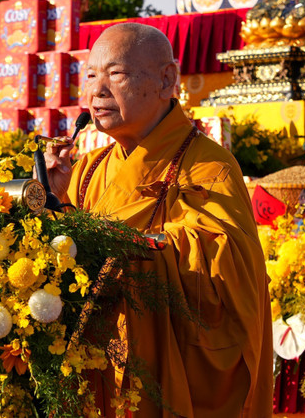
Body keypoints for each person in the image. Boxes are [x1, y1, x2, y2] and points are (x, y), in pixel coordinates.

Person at [44, 23, 273, 417]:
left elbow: (229, 271)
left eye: (116, 74)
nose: (98, 91)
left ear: (168, 79)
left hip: (168, 372)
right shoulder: (88, 169)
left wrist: (132, 247)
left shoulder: (208, 167)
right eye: (92, 75)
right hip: (97, 371)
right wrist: (52, 200)